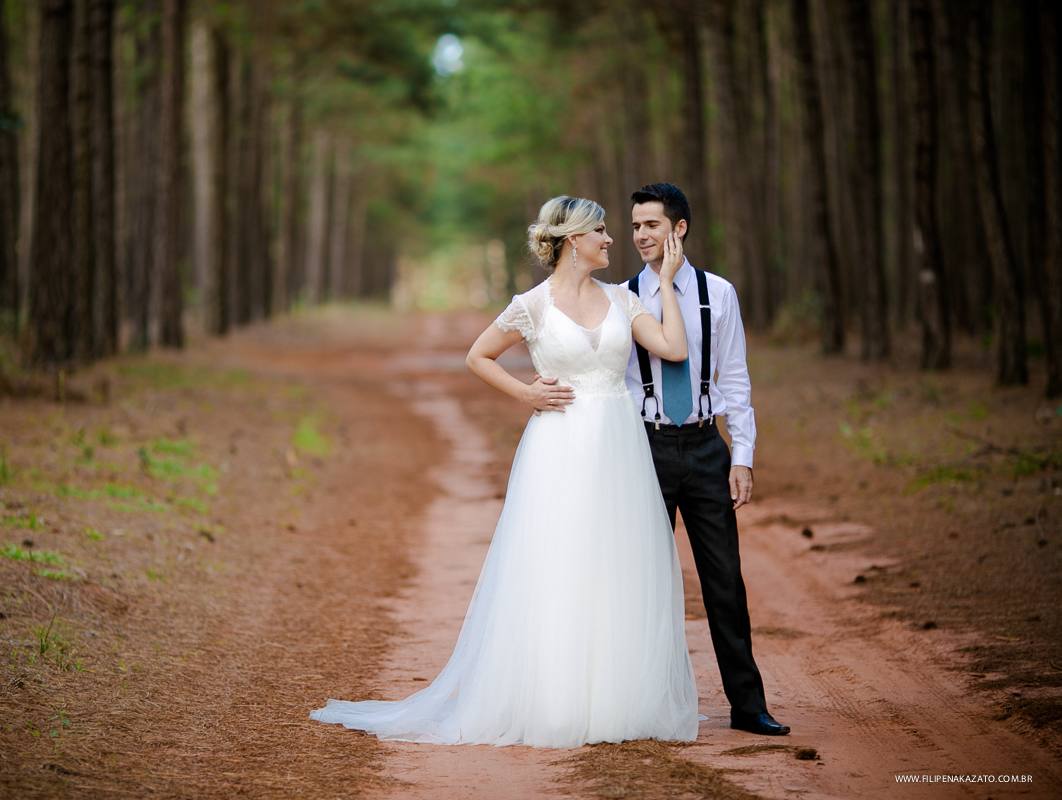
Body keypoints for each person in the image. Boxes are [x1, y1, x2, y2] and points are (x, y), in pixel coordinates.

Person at [310, 196, 700, 748]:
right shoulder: (532, 305)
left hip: (619, 446)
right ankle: (558, 702)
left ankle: (616, 700)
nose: (612, 239)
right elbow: (477, 355)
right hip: (558, 445)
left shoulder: (623, 298)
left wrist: (666, 279)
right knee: (559, 563)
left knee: (616, 562)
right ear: (573, 241)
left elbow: (674, 347)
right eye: (602, 231)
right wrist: (526, 392)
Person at [622, 182, 789, 736]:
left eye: (651, 224)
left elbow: (735, 378)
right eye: (636, 225)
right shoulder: (621, 297)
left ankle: (748, 706)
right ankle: (640, 705)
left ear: (679, 228)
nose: (641, 235)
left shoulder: (719, 293)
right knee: (642, 581)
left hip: (703, 445)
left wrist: (741, 455)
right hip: (643, 448)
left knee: (725, 581)